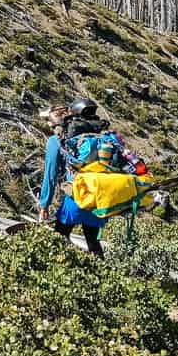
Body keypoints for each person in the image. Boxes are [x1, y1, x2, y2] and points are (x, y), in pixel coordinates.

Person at [38, 100, 106, 257]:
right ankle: (102, 277)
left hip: (76, 197)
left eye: (48, 119)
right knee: (94, 244)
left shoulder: (56, 140)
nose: (47, 123)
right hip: (99, 197)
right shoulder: (97, 136)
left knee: (57, 239)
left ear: (55, 121)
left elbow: (50, 174)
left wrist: (44, 205)